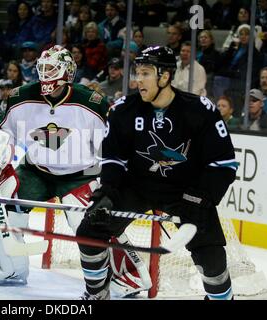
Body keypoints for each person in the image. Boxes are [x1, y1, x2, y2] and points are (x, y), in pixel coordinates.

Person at [0, 45, 152, 297]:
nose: (45, 75)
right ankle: (10, 266)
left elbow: (114, 142)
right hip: (36, 171)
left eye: (51, 69)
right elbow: (2, 134)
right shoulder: (21, 97)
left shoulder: (91, 103)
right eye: (42, 69)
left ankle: (131, 274)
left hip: (80, 173)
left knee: (95, 222)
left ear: (67, 72)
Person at [76, 46, 238, 300]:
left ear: (165, 76)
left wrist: (201, 197)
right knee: (90, 230)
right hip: (137, 186)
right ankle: (96, 293)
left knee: (211, 255)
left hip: (187, 191)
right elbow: (113, 158)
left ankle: (220, 297)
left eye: (146, 73)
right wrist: (107, 189)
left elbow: (223, 163)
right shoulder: (122, 110)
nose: (138, 79)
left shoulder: (200, 110)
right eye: (137, 73)